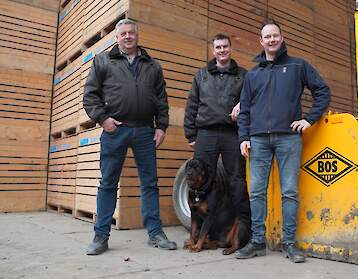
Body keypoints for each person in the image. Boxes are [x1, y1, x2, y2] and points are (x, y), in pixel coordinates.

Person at [235, 19, 331, 263]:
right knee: (256, 192)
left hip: (288, 138)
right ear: (261, 41)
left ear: (281, 37)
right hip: (257, 139)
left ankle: (289, 243)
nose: (271, 39)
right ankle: (258, 242)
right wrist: (243, 137)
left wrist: (308, 119)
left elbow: (322, 91)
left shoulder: (298, 66)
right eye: (267, 36)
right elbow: (244, 109)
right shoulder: (253, 74)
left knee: (289, 192)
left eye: (275, 35)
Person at [83, 18, 176, 255]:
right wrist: (103, 120)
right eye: (123, 33)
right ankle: (100, 236)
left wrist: (161, 126)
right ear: (117, 37)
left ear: (137, 35)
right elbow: (90, 95)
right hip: (116, 130)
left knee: (149, 184)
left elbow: (161, 100)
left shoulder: (152, 66)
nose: (127, 36)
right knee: (108, 183)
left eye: (131, 33)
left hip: (145, 130)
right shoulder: (103, 61)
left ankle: (155, 233)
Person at [184, 33, 251, 226]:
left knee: (237, 180)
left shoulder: (243, 75)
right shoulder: (201, 75)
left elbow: (251, 100)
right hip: (206, 133)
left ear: (230, 49)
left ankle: (243, 227)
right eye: (218, 47)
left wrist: (242, 105)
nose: (222, 50)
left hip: (232, 134)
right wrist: (191, 134)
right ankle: (205, 232)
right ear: (213, 51)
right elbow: (192, 105)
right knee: (202, 182)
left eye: (225, 47)